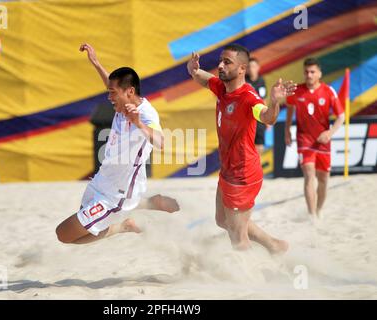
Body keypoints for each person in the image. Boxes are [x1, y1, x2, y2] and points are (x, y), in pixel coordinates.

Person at [55, 43, 179, 245]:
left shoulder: (146, 114)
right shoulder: (123, 104)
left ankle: (124, 225)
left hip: (116, 194)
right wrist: (96, 63)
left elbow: (160, 142)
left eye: (112, 93)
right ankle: (145, 204)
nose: (109, 96)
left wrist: (137, 123)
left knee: (64, 234)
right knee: (74, 233)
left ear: (129, 91)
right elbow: (112, 86)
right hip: (102, 181)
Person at [187, 44, 295, 253]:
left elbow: (268, 117)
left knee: (238, 238)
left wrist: (274, 102)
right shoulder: (222, 87)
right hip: (228, 170)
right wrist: (192, 69)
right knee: (222, 220)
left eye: (227, 62)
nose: (220, 65)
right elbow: (203, 78)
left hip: (243, 175)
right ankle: (275, 245)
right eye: (220, 60)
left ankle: (249, 281)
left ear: (242, 68)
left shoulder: (248, 97)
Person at [285, 58, 345, 220]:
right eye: (306, 72)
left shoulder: (328, 91)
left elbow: (341, 116)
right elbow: (290, 107)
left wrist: (329, 133)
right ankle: (312, 215)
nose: (309, 75)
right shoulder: (297, 90)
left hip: (323, 140)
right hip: (304, 139)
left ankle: (318, 210)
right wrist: (287, 130)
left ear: (319, 73)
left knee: (323, 178)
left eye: (312, 72)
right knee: (309, 173)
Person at [246, 57, 267, 154]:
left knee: (260, 146)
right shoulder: (243, 81)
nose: (251, 69)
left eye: (253, 66)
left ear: (258, 67)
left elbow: (264, 100)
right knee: (246, 147)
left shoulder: (261, 80)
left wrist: (266, 118)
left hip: (259, 118)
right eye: (249, 66)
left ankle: (257, 167)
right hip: (246, 118)